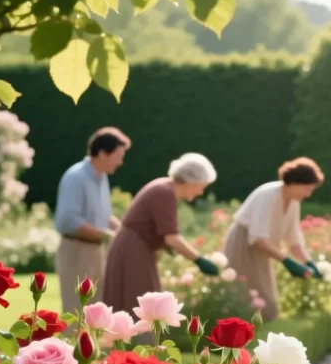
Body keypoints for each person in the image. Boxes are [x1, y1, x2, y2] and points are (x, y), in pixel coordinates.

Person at [101, 153, 220, 316]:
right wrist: (198, 260)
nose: (200, 192)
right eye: (201, 186)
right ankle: (138, 341)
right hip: (133, 250)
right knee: (139, 303)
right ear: (191, 180)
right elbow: (171, 237)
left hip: (134, 247)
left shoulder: (164, 187)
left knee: (138, 301)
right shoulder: (165, 192)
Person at [222, 157, 324, 323]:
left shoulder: (294, 203)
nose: (308, 194)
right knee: (242, 294)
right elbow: (257, 238)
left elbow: (294, 239)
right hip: (243, 245)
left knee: (267, 300)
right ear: (293, 183)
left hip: (264, 248)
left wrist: (308, 262)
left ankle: (259, 330)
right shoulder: (268, 195)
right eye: (306, 188)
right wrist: (288, 262)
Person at [53, 127, 130, 313]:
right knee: (75, 314)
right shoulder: (76, 177)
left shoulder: (101, 177)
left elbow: (103, 216)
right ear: (103, 153)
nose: (121, 161)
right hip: (76, 252)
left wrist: (125, 233)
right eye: (118, 155)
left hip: (96, 253)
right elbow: (68, 221)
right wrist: (108, 236)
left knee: (97, 315)